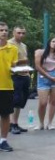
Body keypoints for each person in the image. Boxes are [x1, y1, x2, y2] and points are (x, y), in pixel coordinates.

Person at [34, 35, 55, 130]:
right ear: (49, 42)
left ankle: (50, 123)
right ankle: (41, 123)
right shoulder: (40, 52)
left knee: (53, 101)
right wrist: (50, 77)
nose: (54, 44)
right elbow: (38, 67)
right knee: (43, 102)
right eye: (53, 41)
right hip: (43, 78)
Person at [8, 26, 31, 134]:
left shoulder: (24, 45)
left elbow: (25, 61)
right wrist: (22, 61)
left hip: (24, 74)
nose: (21, 35)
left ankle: (15, 123)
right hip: (14, 75)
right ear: (13, 33)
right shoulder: (8, 44)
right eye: (19, 33)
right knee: (15, 100)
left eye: (23, 33)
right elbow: (9, 62)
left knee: (22, 100)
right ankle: (12, 124)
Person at [0, 22, 18, 151]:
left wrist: (16, 70)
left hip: (6, 86)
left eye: (5, 30)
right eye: (1, 30)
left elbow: (13, 66)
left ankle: (3, 141)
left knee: (5, 115)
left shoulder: (13, 49)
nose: (4, 32)